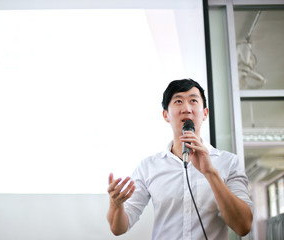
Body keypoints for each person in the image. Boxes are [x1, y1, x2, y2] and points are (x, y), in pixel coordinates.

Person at [107, 79, 253, 239]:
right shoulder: (148, 166)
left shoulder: (229, 162)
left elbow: (243, 226)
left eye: (193, 101)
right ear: (165, 115)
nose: (187, 108)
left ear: (205, 113)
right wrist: (116, 205)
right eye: (178, 101)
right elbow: (118, 228)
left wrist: (211, 173)